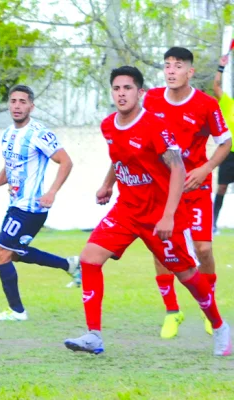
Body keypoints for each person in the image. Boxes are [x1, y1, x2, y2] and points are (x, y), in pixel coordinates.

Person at [64, 66, 231, 357]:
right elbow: (120, 159)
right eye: (116, 88)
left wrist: (168, 215)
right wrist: (107, 185)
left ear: (140, 93)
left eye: (128, 88)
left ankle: (219, 326)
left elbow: (178, 169)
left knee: (187, 274)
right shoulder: (108, 125)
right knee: (90, 259)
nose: (121, 93)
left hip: (158, 215)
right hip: (126, 211)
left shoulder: (155, 126)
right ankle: (93, 335)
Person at [143, 47, 231, 339]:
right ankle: (172, 311)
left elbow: (224, 143)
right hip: (161, 189)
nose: (170, 70)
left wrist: (205, 169)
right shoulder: (151, 99)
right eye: (167, 65)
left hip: (195, 187)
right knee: (162, 248)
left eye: (177, 66)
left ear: (189, 72)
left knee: (203, 249)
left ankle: (210, 310)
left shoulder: (206, 104)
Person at [0, 84, 81, 322]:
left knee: (0, 255)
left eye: (22, 101)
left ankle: (17, 312)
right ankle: (69, 264)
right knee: (13, 254)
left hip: (31, 208)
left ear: (31, 106)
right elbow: (10, 169)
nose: (17, 106)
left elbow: (66, 162)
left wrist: (52, 192)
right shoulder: (9, 134)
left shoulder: (39, 133)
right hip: (16, 205)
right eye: (13, 101)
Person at [213, 54, 234, 232]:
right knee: (221, 188)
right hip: (229, 154)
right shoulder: (228, 103)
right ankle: (213, 224)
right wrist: (221, 67)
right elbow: (216, 87)